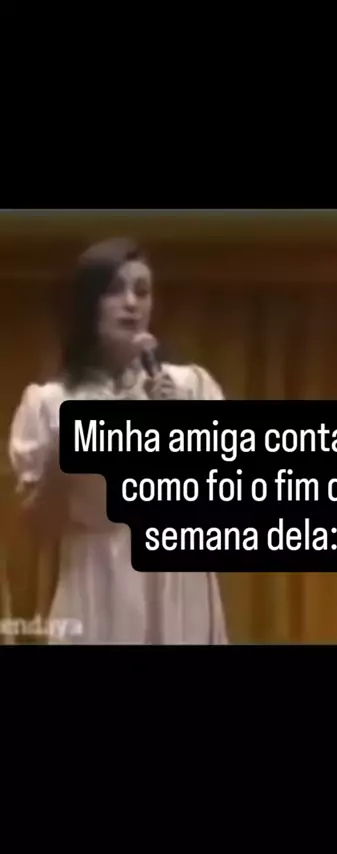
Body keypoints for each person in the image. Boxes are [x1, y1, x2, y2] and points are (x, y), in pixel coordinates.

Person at [7, 237, 228, 644]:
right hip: (97, 581)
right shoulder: (52, 403)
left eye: (142, 291)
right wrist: (63, 459)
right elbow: (39, 528)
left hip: (179, 582)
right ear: (87, 304)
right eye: (114, 290)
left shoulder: (191, 387)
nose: (131, 303)